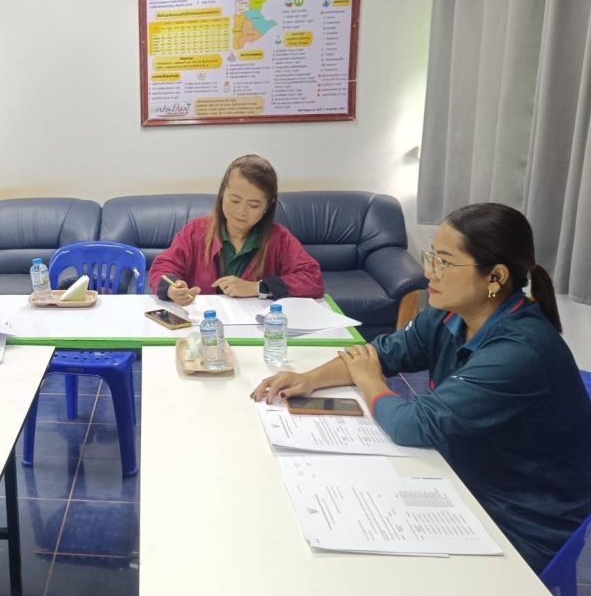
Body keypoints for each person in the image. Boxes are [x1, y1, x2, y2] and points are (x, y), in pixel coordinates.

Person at [253, 203, 591, 572]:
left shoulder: (519, 352)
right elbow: (379, 353)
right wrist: (309, 378)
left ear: (495, 276)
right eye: (431, 257)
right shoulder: (450, 315)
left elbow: (412, 424)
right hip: (463, 478)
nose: (429, 271)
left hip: (518, 520)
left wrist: (369, 381)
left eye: (445, 262)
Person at [149, 154, 324, 305]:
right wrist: (172, 288)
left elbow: (313, 279)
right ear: (222, 194)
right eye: (234, 200)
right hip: (203, 324)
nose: (241, 212)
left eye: (253, 205)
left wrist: (257, 287)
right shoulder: (195, 231)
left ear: (267, 206)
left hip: (256, 327)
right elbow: (162, 267)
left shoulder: (279, 239)